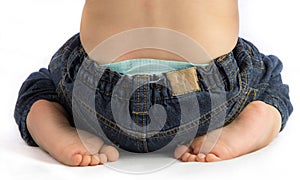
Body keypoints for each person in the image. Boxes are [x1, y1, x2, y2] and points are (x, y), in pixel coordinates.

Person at [14, 0, 293, 166]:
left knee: (44, 82)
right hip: (207, 93)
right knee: (268, 78)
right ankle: (256, 120)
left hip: (97, 97)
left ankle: (48, 120)